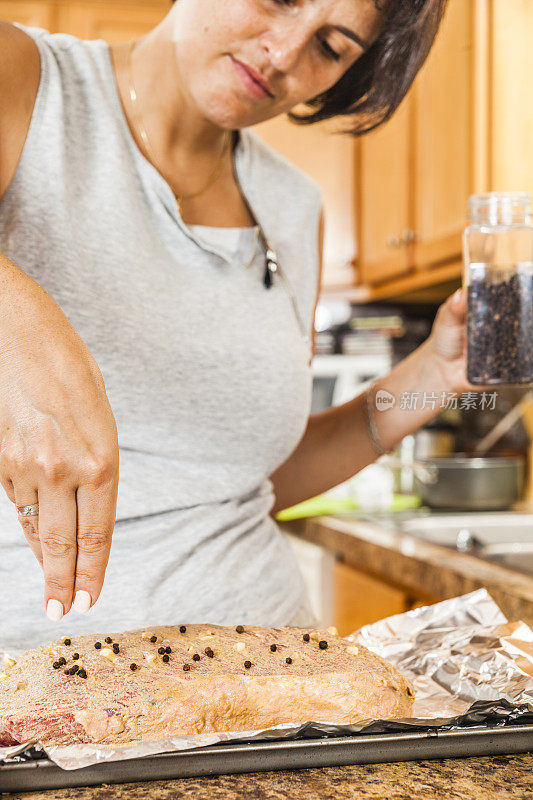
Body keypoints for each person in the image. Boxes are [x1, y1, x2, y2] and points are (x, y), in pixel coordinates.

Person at [0, 0, 467, 651]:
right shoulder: (22, 76)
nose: (282, 55)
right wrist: (19, 321)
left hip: (273, 688)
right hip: (42, 699)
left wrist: (433, 376)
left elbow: (242, 476)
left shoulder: (294, 208)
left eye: (329, 48)